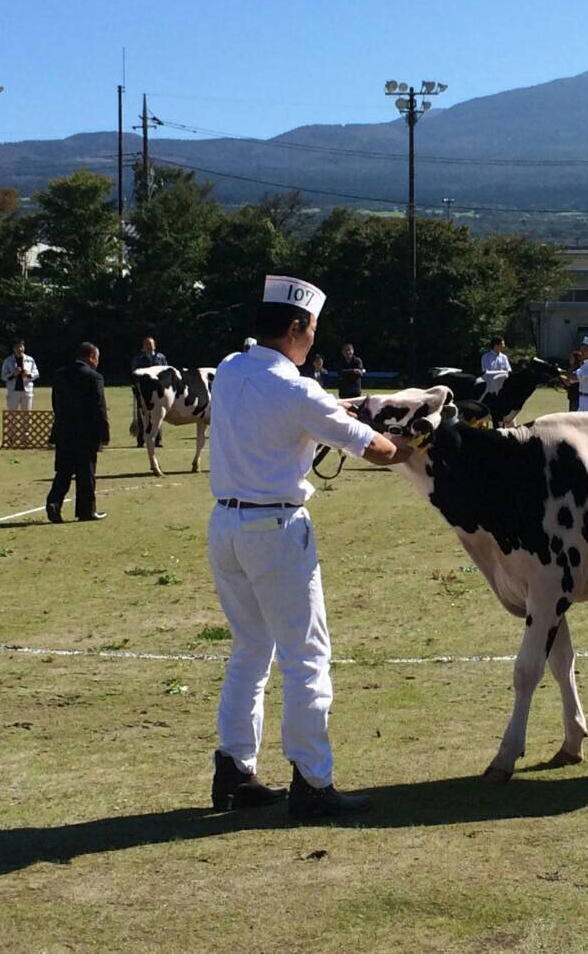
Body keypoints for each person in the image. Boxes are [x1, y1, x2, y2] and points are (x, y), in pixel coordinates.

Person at [206, 275, 411, 818]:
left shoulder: (230, 368)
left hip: (225, 526)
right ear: (296, 327)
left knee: (250, 650)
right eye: (312, 330)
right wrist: (421, 438)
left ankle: (233, 770)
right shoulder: (299, 391)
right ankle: (312, 783)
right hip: (275, 530)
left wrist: (336, 408)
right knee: (307, 657)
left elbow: (297, 411)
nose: (314, 341)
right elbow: (380, 451)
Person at [46, 342, 110, 524]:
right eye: (97, 358)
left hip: (64, 430)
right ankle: (86, 511)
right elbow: (99, 408)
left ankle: (54, 503)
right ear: (91, 356)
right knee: (86, 473)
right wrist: (104, 434)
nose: (97, 363)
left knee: (63, 471)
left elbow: (55, 404)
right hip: (86, 433)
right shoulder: (94, 377)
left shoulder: (60, 375)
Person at [132, 336, 168, 447]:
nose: (149, 346)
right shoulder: (139, 359)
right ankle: (141, 440)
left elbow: (166, 371)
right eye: (147, 344)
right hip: (143, 390)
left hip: (157, 391)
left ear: (154, 345)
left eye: (151, 344)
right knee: (142, 415)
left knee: (158, 414)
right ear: (143, 346)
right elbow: (135, 373)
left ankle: (158, 440)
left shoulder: (161, 358)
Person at [0, 340, 40, 411]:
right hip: (13, 392)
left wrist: (28, 374)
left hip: (27, 391)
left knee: (27, 415)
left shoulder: (30, 360)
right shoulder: (8, 361)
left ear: (24, 347)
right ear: (13, 348)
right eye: (17, 347)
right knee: (12, 416)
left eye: (21, 346)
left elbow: (36, 373)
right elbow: (3, 376)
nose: (19, 349)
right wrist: (13, 374)